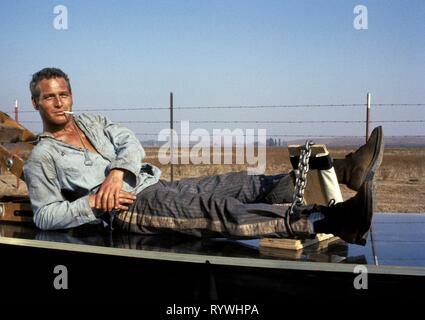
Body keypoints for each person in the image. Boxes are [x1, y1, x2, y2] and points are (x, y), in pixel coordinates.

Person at [23, 67, 384, 246]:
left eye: (64, 94)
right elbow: (44, 215)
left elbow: (130, 144)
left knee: (244, 182)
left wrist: (117, 172)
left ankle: (344, 169)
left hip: (158, 184)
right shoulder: (42, 157)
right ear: (36, 103)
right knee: (218, 212)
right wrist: (94, 202)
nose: (59, 102)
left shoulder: (92, 121)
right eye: (49, 97)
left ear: (72, 96)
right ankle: (334, 221)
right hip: (129, 210)